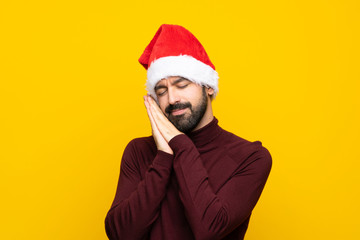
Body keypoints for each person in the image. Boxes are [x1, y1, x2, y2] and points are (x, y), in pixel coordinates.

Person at [105, 24, 272, 240]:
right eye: (161, 90)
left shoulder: (251, 157)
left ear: (208, 86)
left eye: (181, 85)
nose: (172, 99)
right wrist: (164, 156)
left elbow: (208, 229)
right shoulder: (138, 152)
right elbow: (121, 235)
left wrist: (179, 143)